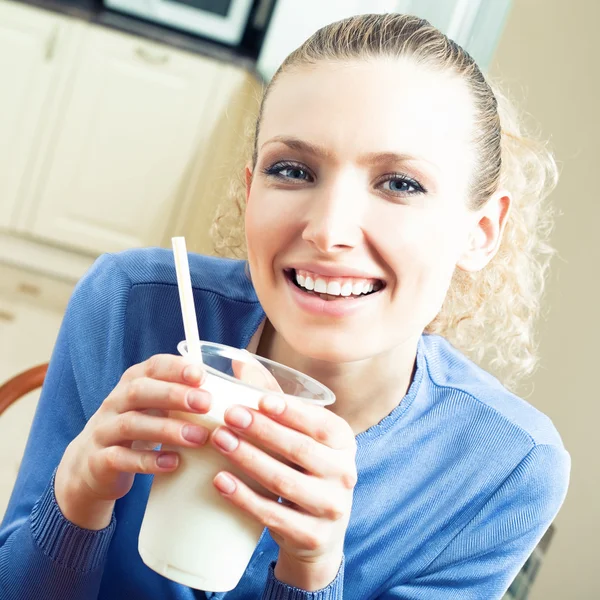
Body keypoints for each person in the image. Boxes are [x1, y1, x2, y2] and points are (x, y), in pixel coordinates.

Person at [0, 13, 570, 600]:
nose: (328, 230)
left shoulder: (508, 468)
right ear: (251, 193)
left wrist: (311, 573)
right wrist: (75, 502)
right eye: (292, 171)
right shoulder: (129, 306)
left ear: (480, 231)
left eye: (400, 183)